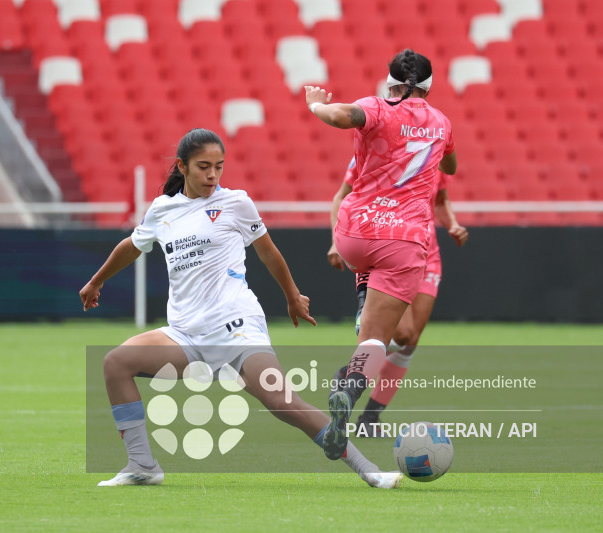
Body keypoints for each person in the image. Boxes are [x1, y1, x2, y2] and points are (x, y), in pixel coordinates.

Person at [79, 128, 401, 488]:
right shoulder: (162, 209)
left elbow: (268, 252)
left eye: (219, 166)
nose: (212, 175)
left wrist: (292, 296)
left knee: (283, 403)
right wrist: (96, 281)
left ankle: (368, 469)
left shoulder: (236, 203)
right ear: (182, 167)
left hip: (236, 325)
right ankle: (142, 465)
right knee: (116, 364)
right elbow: (132, 245)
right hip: (186, 333)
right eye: (203, 167)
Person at [304, 48, 458, 460]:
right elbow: (451, 167)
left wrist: (316, 104)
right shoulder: (442, 123)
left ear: (389, 82)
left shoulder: (375, 108)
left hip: (354, 234)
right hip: (403, 240)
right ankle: (348, 389)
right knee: (376, 341)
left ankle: (362, 296)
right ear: (429, 87)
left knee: (369, 282)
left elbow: (341, 116)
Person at [327, 157, 468, 436]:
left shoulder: (432, 150)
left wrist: (452, 223)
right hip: (389, 248)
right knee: (401, 333)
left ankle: (369, 419)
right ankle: (351, 372)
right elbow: (341, 196)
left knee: (409, 341)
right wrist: (335, 240)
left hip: (427, 254)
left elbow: (440, 199)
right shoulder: (374, 153)